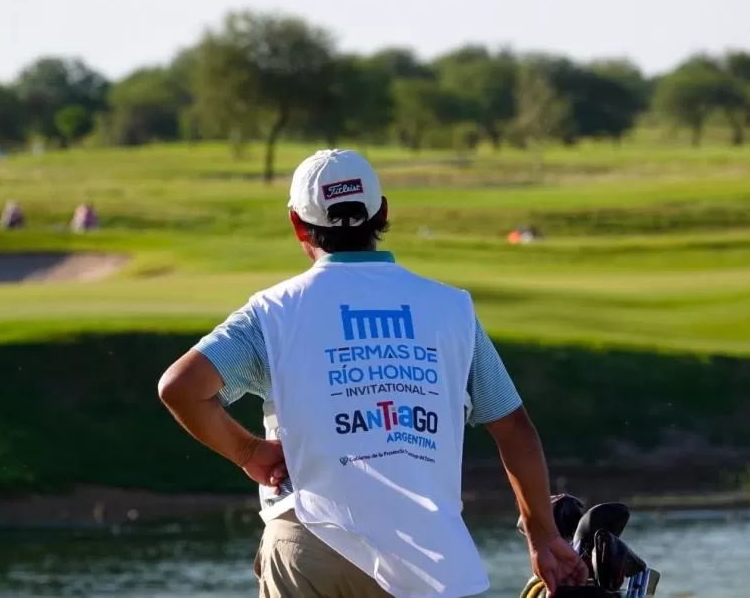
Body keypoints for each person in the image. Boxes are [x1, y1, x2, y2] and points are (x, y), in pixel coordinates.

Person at [158, 149, 587, 598]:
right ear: (381, 213)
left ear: (297, 224)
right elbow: (515, 430)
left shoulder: (272, 313)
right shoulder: (450, 309)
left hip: (307, 543)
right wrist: (543, 537)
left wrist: (248, 451)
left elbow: (181, 388)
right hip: (425, 558)